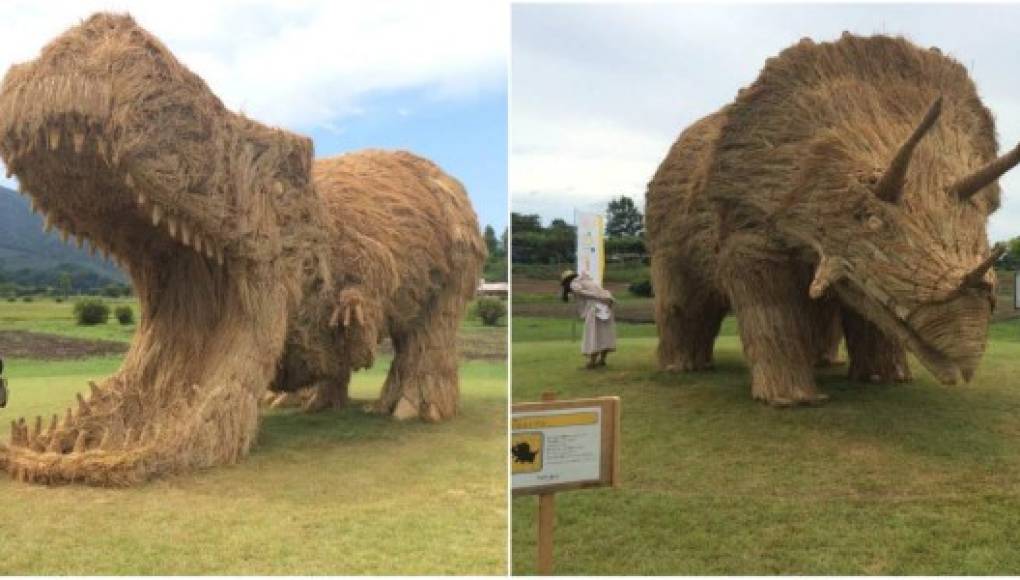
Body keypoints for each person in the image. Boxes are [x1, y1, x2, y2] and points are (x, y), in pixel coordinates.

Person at [561, 270, 617, 369]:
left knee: (593, 335)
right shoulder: (590, 282)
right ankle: (602, 360)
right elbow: (603, 292)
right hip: (605, 307)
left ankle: (592, 362)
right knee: (604, 334)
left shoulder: (574, 284)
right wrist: (606, 298)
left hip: (594, 309)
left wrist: (599, 296)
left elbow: (582, 292)